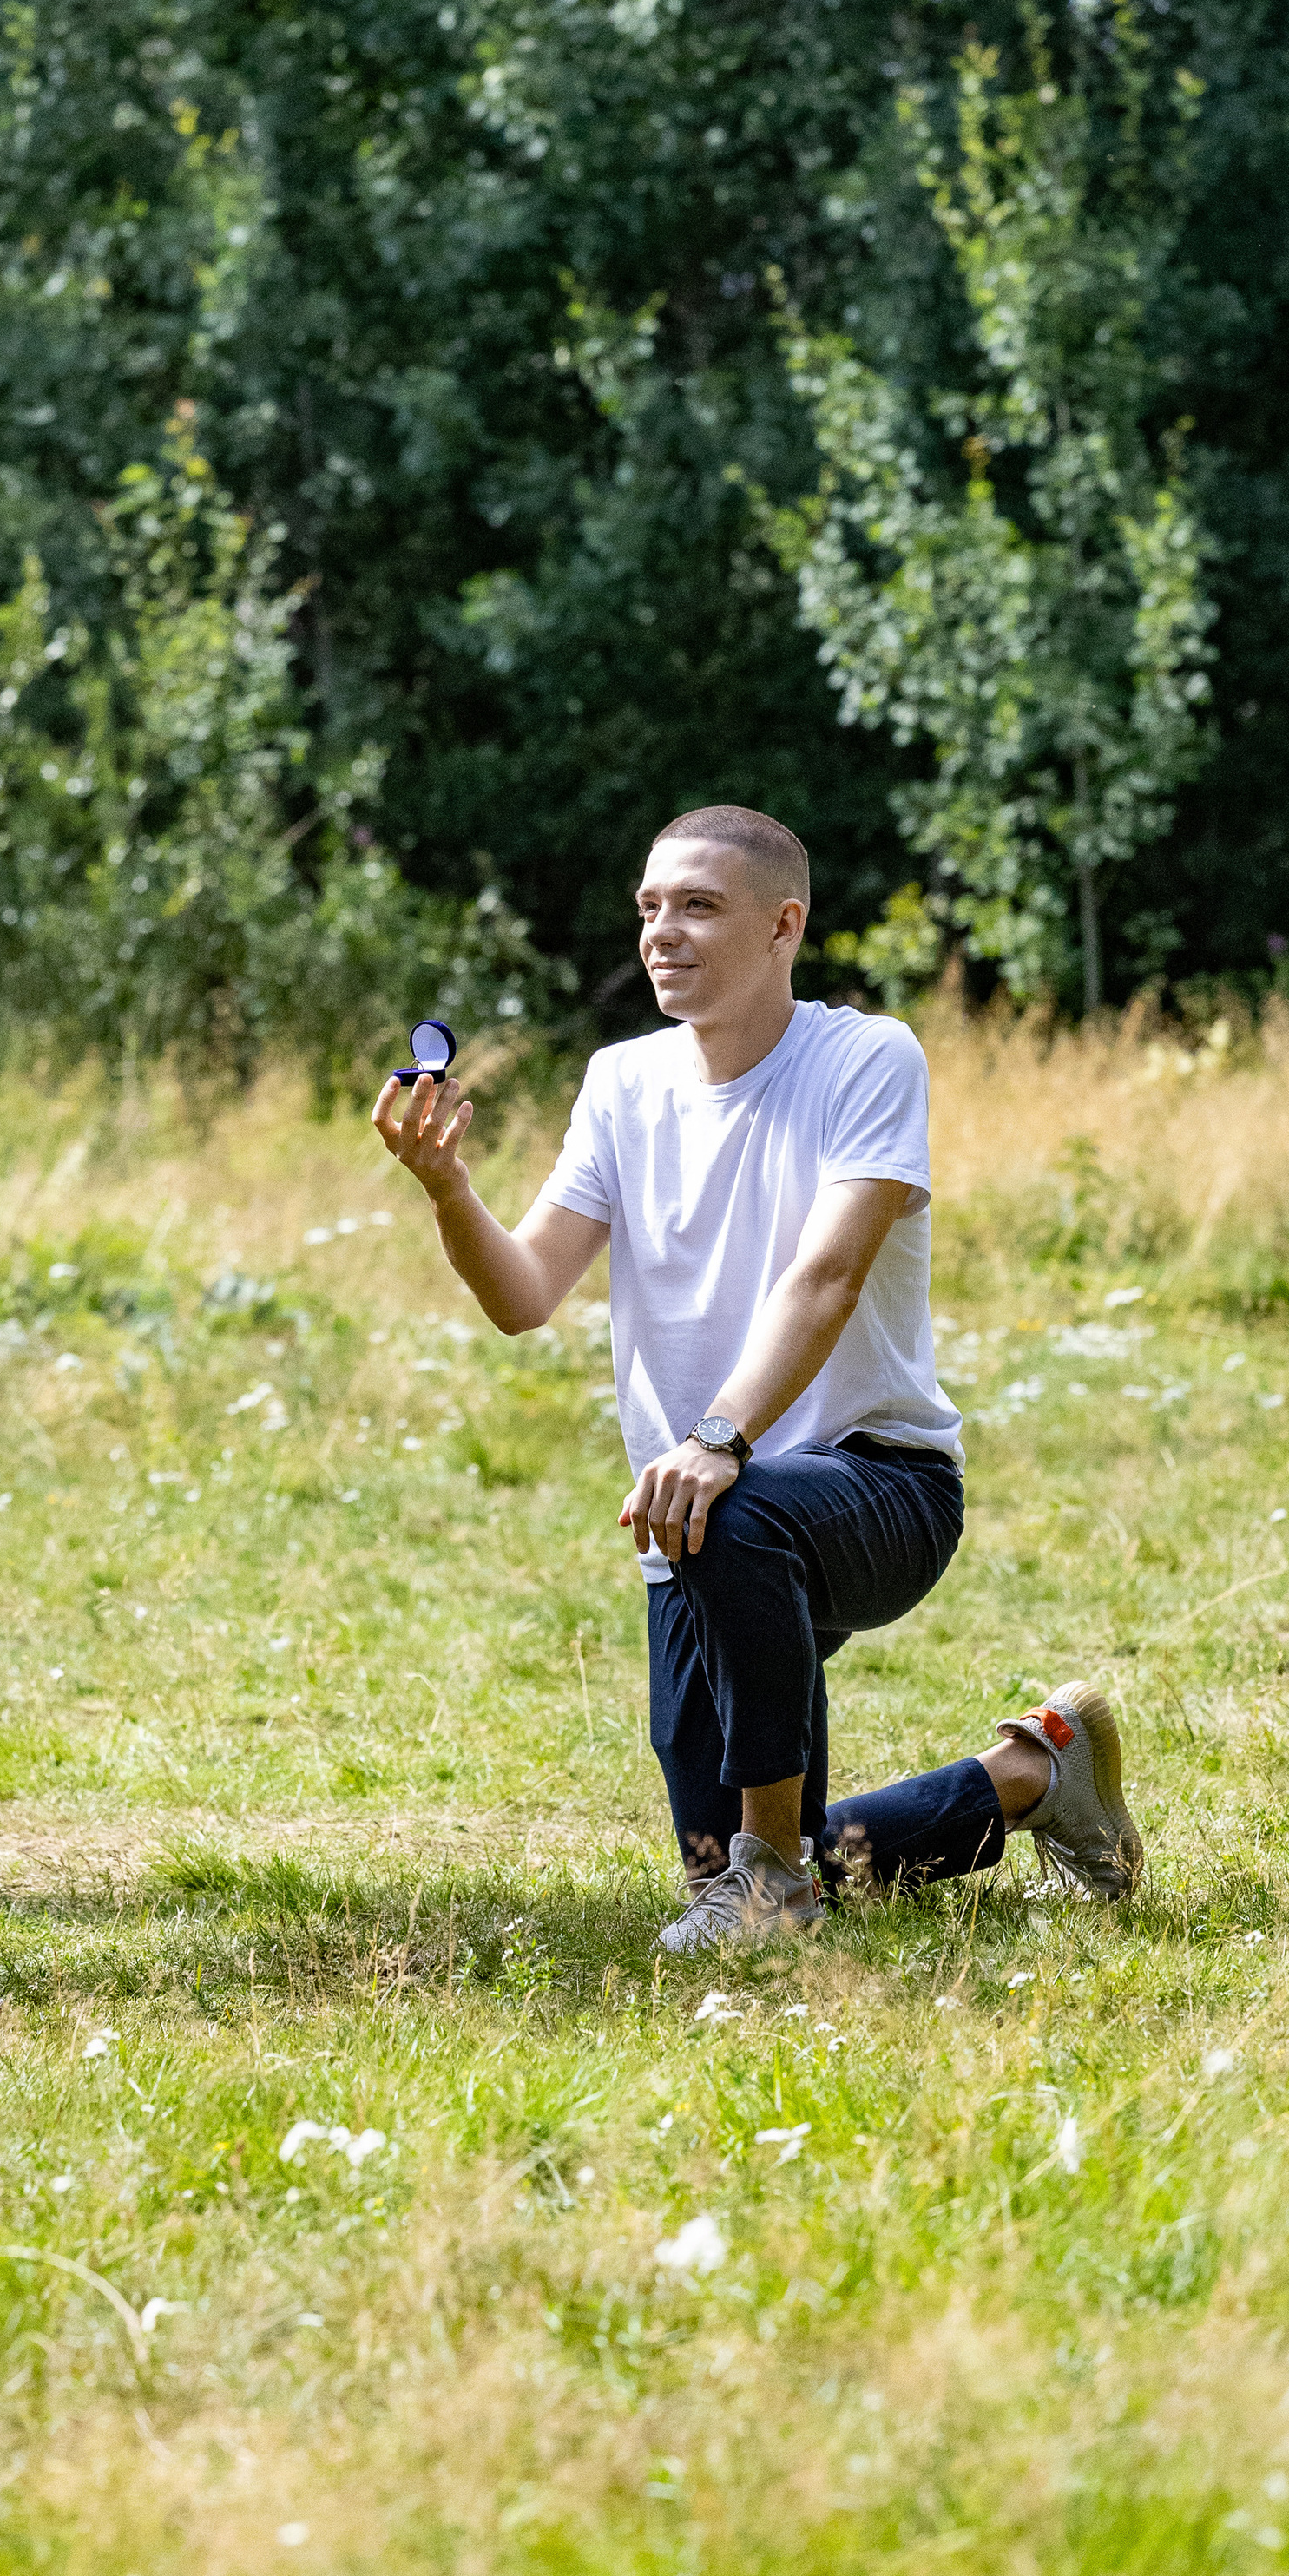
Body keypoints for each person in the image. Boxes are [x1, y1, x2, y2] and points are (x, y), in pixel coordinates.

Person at [372, 804, 1143, 1953]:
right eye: (648, 908)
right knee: (709, 1858)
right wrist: (445, 1189)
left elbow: (827, 1276)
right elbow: (525, 1293)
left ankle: (773, 1877)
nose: (661, 933)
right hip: (689, 1520)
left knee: (754, 1832)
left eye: (697, 906)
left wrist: (720, 1436)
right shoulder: (621, 1083)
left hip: (875, 1485)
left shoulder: (866, 1058)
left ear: (784, 925)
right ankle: (1031, 1774)